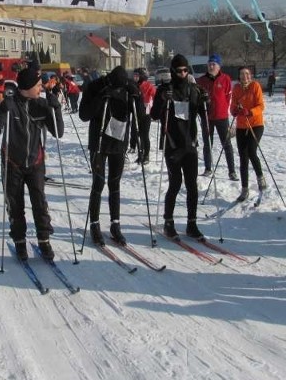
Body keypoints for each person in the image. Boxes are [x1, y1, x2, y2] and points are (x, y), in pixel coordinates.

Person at [0, 67, 64, 261]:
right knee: (15, 203)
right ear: (27, 87)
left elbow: (58, 132)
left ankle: (44, 240)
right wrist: (2, 110)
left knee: (40, 203)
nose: (41, 88)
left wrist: (56, 110)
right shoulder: (11, 105)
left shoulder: (41, 105)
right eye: (37, 85)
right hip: (12, 162)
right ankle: (19, 240)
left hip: (35, 161)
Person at [79, 65, 145, 245]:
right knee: (98, 183)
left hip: (118, 142)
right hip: (99, 142)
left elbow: (141, 116)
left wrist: (137, 96)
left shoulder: (128, 88)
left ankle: (115, 224)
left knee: (114, 183)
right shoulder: (96, 86)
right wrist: (100, 98)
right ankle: (94, 224)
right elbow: (83, 115)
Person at [150, 55, 208, 240]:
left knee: (192, 186)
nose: (182, 74)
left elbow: (203, 112)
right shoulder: (165, 89)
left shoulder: (194, 90)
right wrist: (161, 100)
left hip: (190, 144)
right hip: (172, 144)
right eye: (179, 71)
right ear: (173, 71)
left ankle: (192, 224)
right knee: (175, 183)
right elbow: (154, 115)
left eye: (185, 70)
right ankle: (169, 222)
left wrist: (206, 101)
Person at [196, 53, 238, 180]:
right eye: (209, 64)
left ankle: (231, 171)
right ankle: (208, 168)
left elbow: (227, 97)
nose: (211, 66)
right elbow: (197, 98)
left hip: (221, 117)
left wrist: (223, 109)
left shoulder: (225, 79)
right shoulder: (201, 80)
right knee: (208, 144)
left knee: (227, 144)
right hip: (207, 117)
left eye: (214, 64)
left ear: (219, 66)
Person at [230, 67, 267, 201]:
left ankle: (260, 177)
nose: (244, 76)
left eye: (247, 74)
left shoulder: (255, 86)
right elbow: (232, 105)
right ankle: (244, 189)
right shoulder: (236, 88)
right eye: (242, 74)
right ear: (239, 76)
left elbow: (261, 106)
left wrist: (250, 111)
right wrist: (234, 111)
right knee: (243, 157)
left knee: (252, 151)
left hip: (255, 124)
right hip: (241, 126)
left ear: (250, 76)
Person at [129, 68, 154, 164]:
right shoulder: (133, 85)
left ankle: (146, 155)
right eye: (134, 75)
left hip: (146, 113)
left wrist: (153, 107)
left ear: (142, 76)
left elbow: (154, 95)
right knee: (136, 134)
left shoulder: (148, 85)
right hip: (136, 113)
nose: (134, 77)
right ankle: (140, 154)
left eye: (137, 75)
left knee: (144, 135)